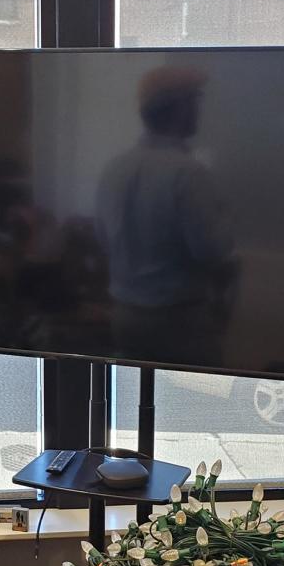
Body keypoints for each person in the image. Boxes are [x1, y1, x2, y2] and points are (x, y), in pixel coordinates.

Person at [95, 65, 234, 366]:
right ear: (181, 108)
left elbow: (104, 241)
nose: (199, 109)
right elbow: (212, 251)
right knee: (191, 401)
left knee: (131, 394)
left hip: (125, 317)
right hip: (178, 321)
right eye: (195, 100)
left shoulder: (114, 169)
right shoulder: (189, 174)